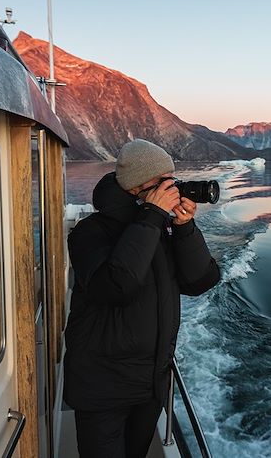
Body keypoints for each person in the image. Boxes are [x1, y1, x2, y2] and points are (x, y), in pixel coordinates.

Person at [64, 138, 221, 458]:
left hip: (150, 386)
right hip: (102, 388)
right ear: (136, 188)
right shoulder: (90, 232)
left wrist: (185, 227)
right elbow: (116, 287)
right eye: (162, 184)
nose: (172, 189)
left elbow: (201, 280)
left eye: (172, 181)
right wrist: (151, 217)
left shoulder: (160, 230)